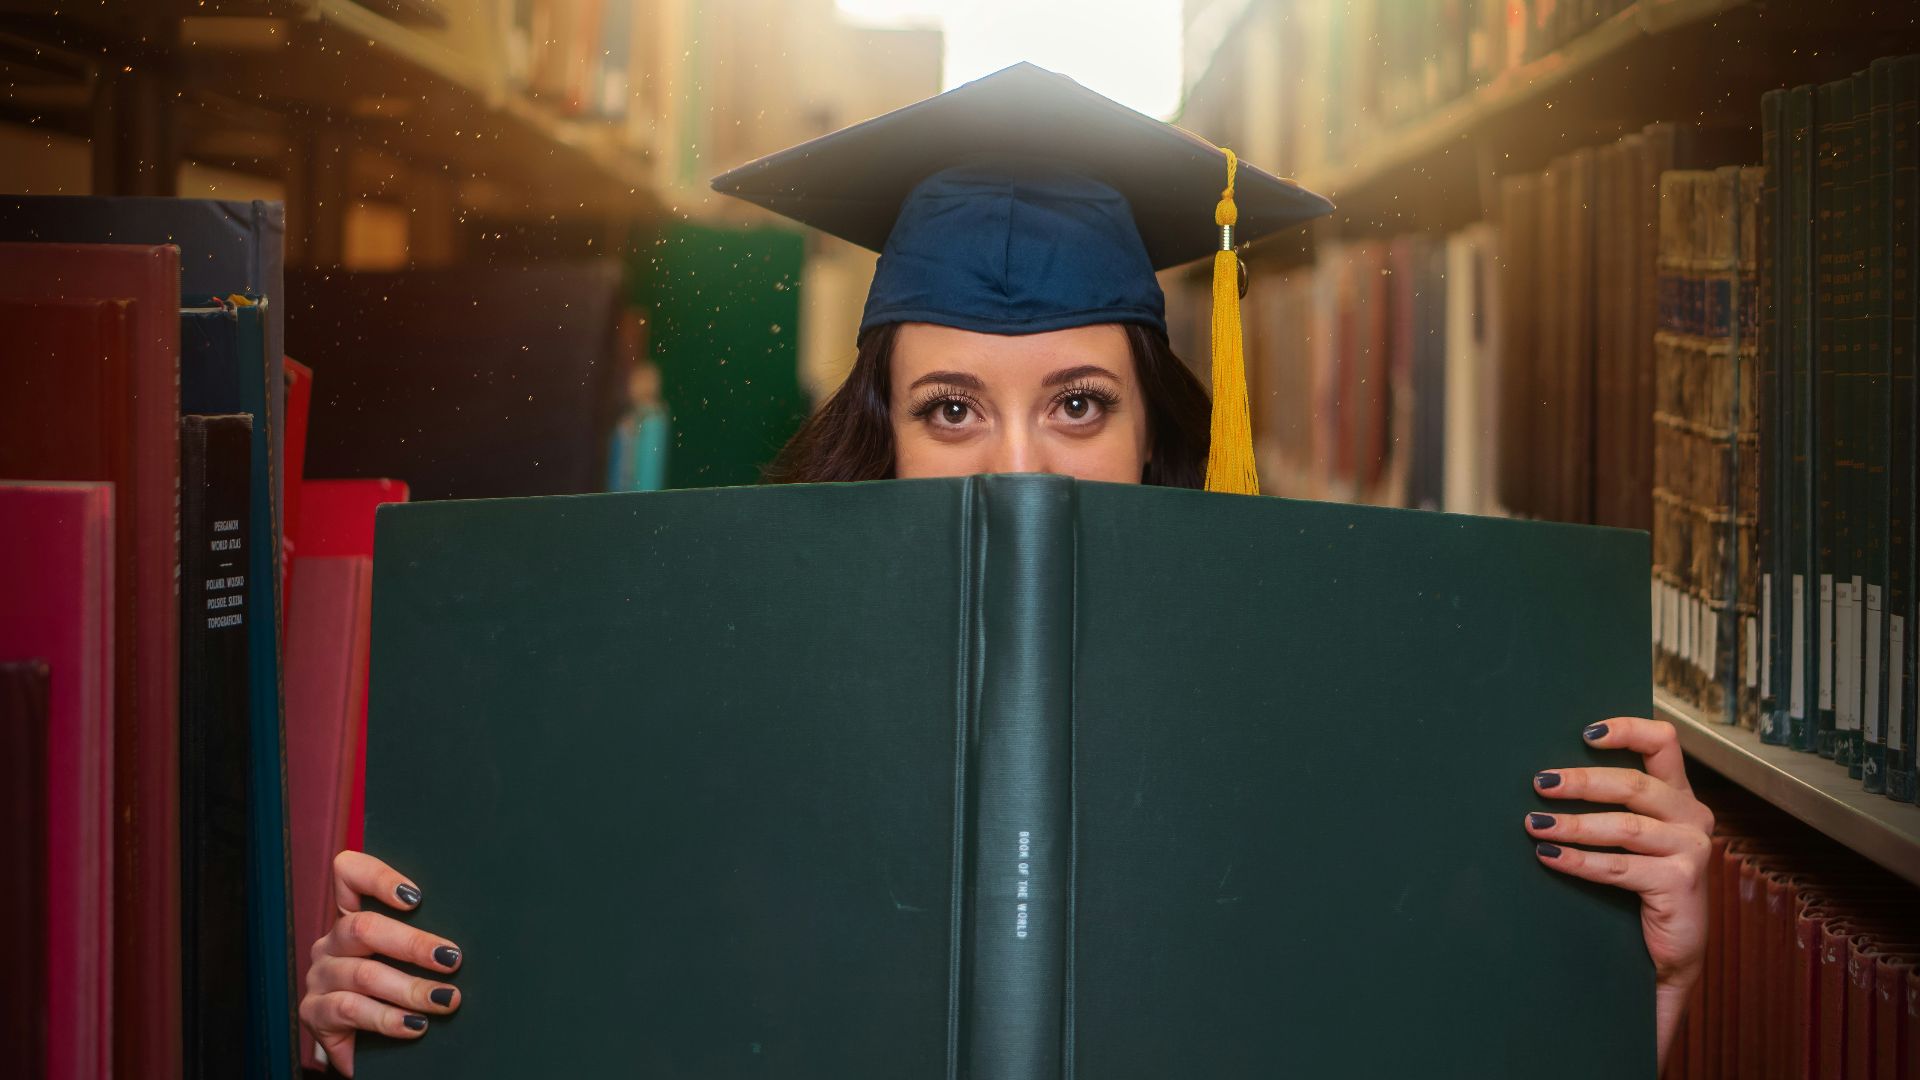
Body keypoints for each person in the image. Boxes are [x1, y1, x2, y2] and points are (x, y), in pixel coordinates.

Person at [298, 63, 1713, 1075]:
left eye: (1080, 403)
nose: (1017, 467)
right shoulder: (707, 702)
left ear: (1161, 428)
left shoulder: (1327, 719)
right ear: (885, 432)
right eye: (953, 407)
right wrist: (387, 1038)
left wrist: (1640, 981)